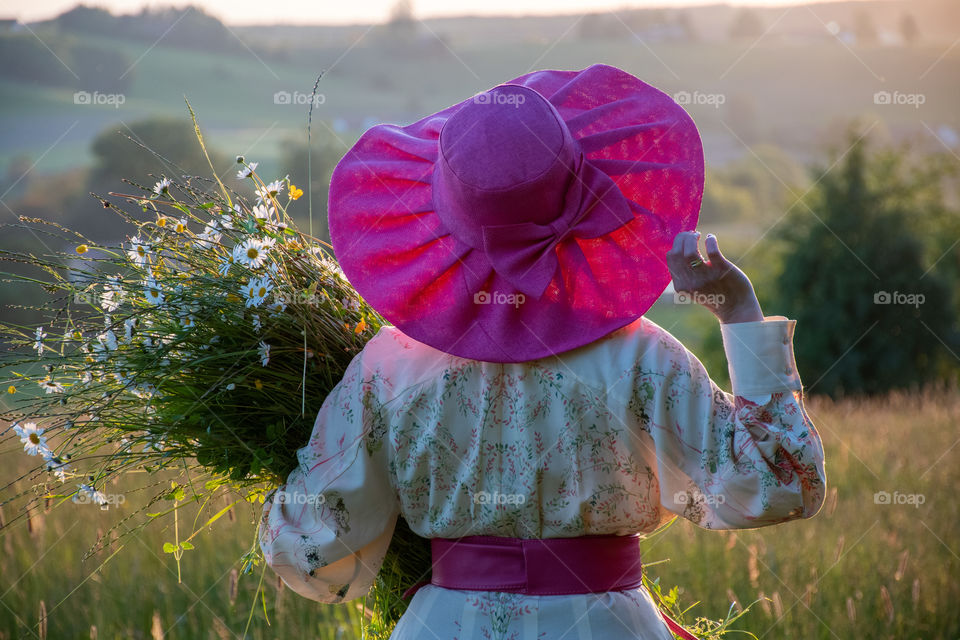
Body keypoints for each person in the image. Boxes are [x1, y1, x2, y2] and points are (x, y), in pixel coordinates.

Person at [258, 64, 827, 639]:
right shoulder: (643, 358)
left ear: (441, 218)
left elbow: (314, 552)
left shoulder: (387, 368)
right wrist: (738, 313)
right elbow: (783, 483)